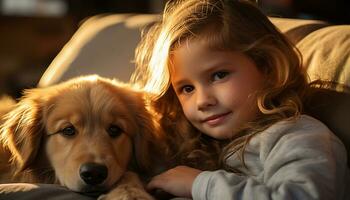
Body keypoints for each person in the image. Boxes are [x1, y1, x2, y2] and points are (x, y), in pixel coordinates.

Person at [130, 0, 350, 199]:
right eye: (187, 88)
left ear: (267, 67)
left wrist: (200, 184)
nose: (202, 100)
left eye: (219, 75)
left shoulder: (298, 137)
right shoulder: (201, 145)